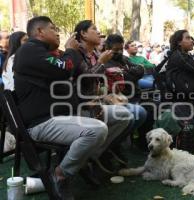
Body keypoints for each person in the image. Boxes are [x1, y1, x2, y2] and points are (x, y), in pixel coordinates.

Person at [13, 16, 117, 199]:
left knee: (116, 117)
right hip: (41, 122)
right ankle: (60, 174)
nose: (58, 32)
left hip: (59, 117)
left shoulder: (43, 53)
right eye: (53, 29)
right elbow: (64, 68)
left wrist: (88, 104)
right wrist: (71, 51)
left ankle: (83, 161)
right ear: (39, 32)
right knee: (96, 130)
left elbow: (69, 82)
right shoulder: (29, 50)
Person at [73, 20, 132, 171]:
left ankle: (96, 153)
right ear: (83, 34)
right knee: (125, 114)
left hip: (97, 102)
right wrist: (101, 63)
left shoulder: (94, 53)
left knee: (126, 114)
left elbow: (100, 83)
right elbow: (85, 79)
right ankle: (95, 154)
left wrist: (106, 95)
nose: (99, 32)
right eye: (95, 29)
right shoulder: (76, 53)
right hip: (81, 106)